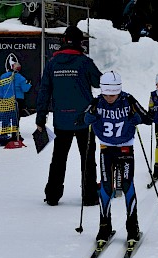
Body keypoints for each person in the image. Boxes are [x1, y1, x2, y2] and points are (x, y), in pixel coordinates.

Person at [35, 25, 102, 206]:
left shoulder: (52, 64)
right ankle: (89, 196)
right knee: (87, 158)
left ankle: (52, 195)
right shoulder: (85, 62)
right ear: (80, 42)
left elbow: (44, 92)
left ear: (63, 41)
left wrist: (40, 117)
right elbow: (99, 82)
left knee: (59, 158)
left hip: (62, 120)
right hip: (84, 119)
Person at [84, 71, 152, 243]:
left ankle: (132, 227)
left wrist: (138, 118)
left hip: (125, 148)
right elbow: (83, 118)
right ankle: (104, 227)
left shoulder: (128, 100)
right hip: (106, 148)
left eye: (113, 94)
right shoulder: (97, 102)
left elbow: (147, 117)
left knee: (128, 184)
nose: (109, 97)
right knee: (106, 187)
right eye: (106, 94)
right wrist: (88, 118)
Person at [0, 62, 32, 139]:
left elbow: (0, 88)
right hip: (17, 99)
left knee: (6, 116)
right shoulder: (21, 78)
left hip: (6, 99)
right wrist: (29, 84)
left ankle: (4, 133)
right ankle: (15, 134)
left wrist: (3, 97)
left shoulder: (3, 76)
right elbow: (25, 89)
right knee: (15, 117)